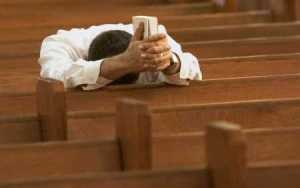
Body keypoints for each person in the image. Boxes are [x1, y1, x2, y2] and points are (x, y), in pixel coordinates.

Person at [39, 23, 202, 90]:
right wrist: (124, 62)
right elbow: (57, 77)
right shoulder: (60, 44)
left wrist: (170, 62)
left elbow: (193, 70)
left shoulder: (153, 37)